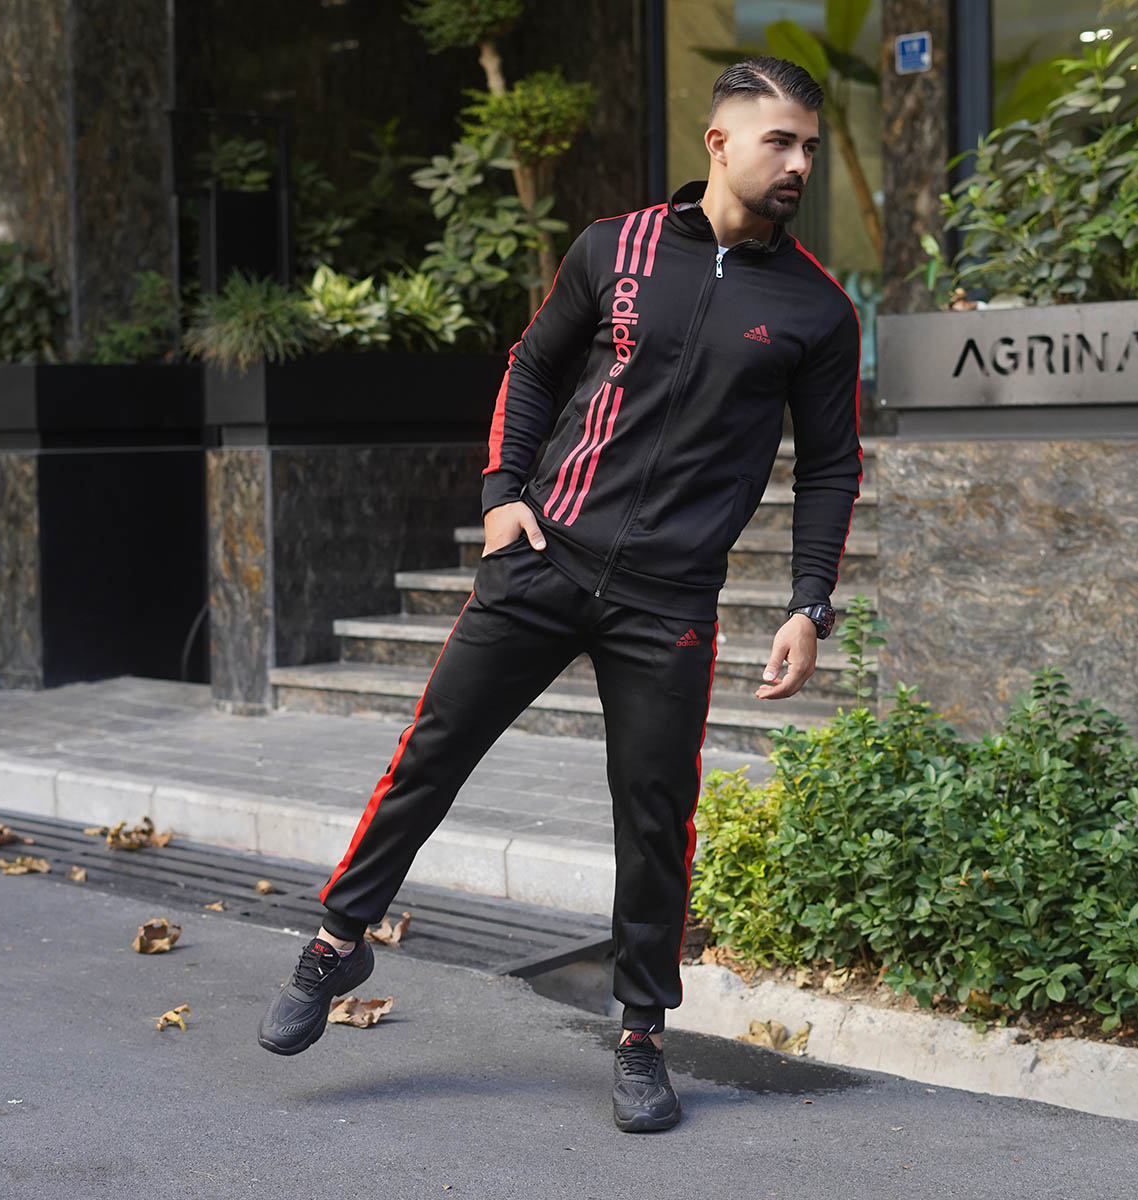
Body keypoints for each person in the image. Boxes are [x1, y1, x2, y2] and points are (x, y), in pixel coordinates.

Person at [258, 55, 862, 1134]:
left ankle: (640, 1036)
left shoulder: (816, 307)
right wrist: (502, 496)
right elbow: (532, 368)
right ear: (719, 142)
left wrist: (808, 602)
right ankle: (337, 941)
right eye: (781, 141)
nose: (799, 165)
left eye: (809, 147)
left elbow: (830, 467)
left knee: (655, 817)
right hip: (546, 558)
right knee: (430, 754)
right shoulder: (612, 248)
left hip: (670, 597)